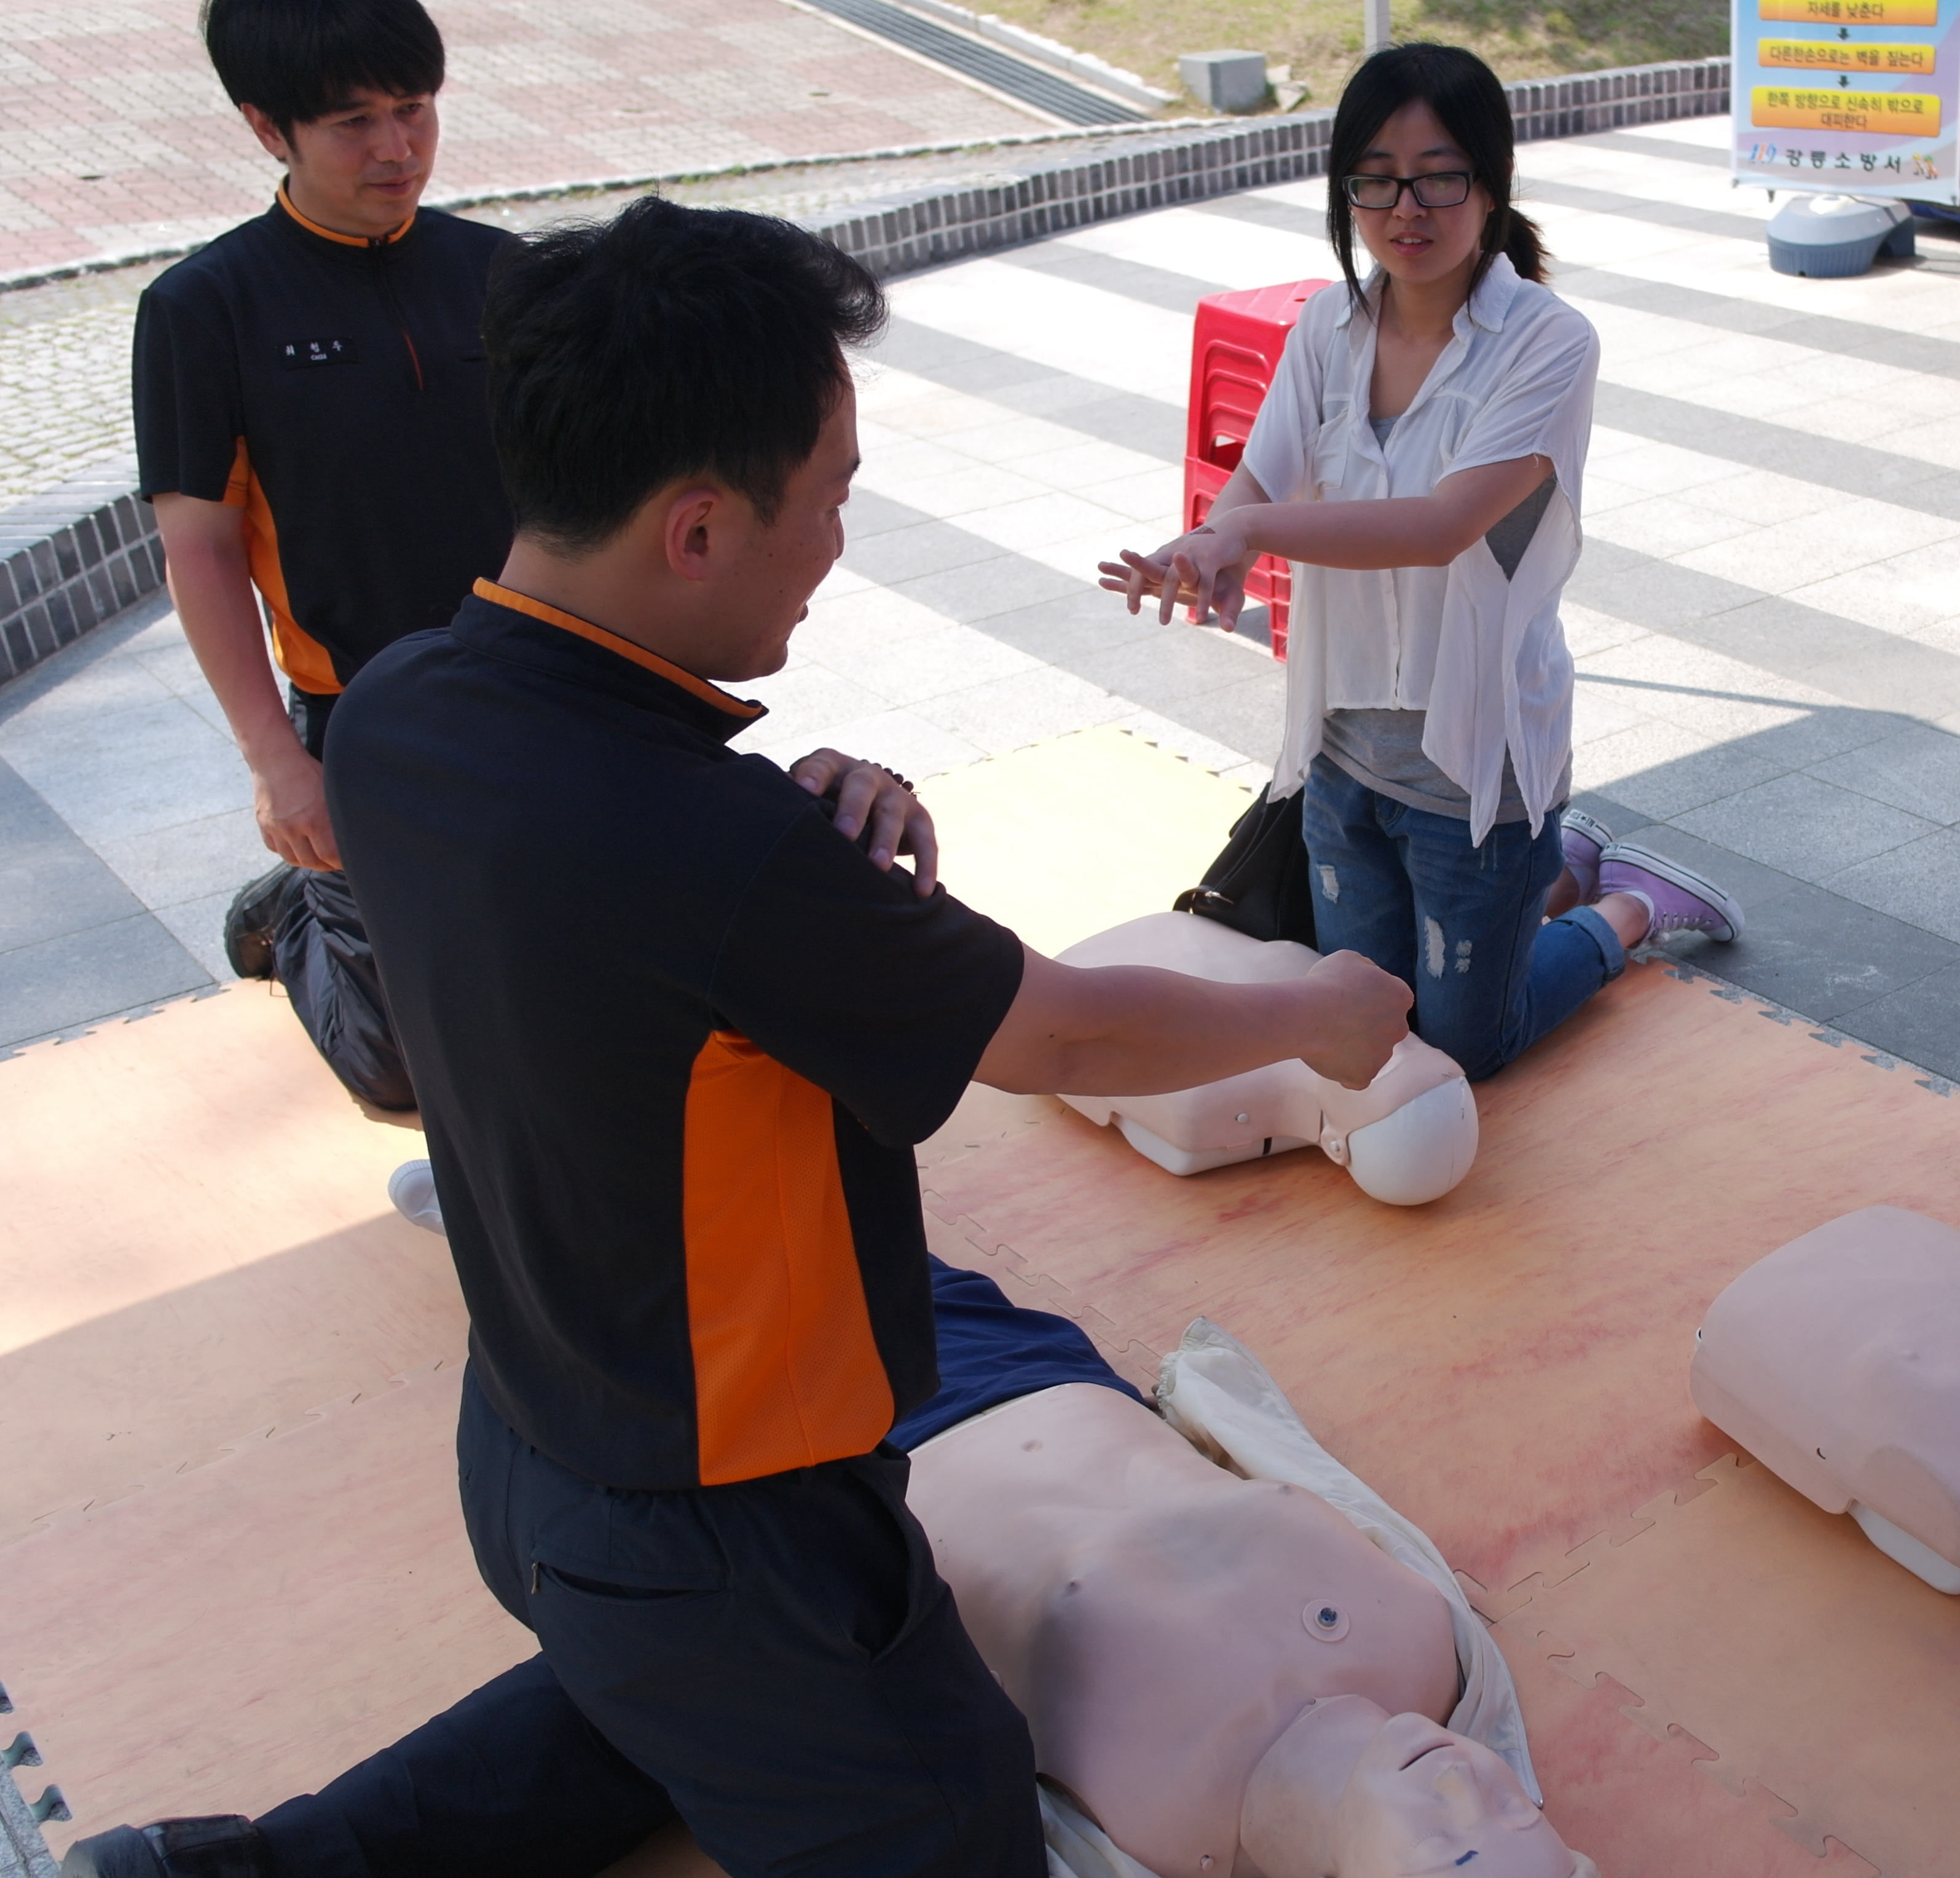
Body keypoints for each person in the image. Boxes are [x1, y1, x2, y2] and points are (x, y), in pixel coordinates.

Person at [63, 197, 1412, 1878]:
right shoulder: (722, 856)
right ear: (696, 527)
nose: (839, 540)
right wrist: (1318, 1010)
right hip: (731, 1517)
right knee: (943, 1818)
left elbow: (617, 894)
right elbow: (1058, 1036)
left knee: (646, 1707)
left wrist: (797, 811)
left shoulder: (398, 714)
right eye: (829, 496)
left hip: (538, 1440)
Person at [65, 1272, 1584, 1878]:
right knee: (791, 1186)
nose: (1486, 1793)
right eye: (1532, 1829)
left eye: (1460, 1857)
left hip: (820, 1494)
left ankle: (238, 1867)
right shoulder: (1441, 1661)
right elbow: (1305, 1476)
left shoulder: (1152, 1836)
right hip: (1017, 1360)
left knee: (654, 1686)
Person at [1100, 44, 1744, 1084]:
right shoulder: (1328, 326)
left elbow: (1442, 525)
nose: (1407, 208)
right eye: (1377, 179)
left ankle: (1631, 906)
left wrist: (1248, 536)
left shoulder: (1548, 343)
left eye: (1439, 176)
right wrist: (1208, 549)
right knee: (1368, 1027)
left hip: (1476, 765)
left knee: (1462, 1049)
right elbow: (1257, 480)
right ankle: (1561, 869)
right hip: (1338, 748)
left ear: (1491, 184)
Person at [135, 0, 509, 1114]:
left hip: (533, 684)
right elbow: (201, 554)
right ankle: (296, 909)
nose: (397, 148)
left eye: (414, 109)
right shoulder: (203, 309)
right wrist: (277, 764)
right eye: (354, 122)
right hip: (361, 713)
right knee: (398, 1076)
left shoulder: (505, 273)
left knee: (574, 977)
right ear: (269, 128)